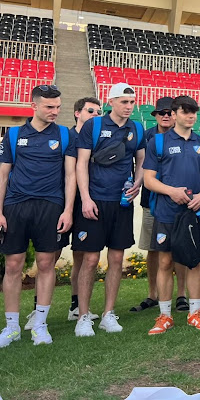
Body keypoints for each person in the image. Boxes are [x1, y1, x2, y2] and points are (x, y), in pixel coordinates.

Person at [0, 85, 76, 347]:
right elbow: (3, 175)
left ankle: (40, 325)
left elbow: (70, 175)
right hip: (16, 205)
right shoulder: (13, 135)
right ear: (34, 106)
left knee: (45, 264)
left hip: (50, 206)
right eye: (49, 107)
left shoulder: (65, 135)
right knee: (13, 264)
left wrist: (67, 209)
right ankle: (11, 327)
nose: (55, 111)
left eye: (57, 107)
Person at [74, 83, 146, 337]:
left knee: (116, 259)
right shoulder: (94, 126)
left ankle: (108, 314)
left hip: (122, 202)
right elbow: (81, 164)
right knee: (91, 259)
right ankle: (83, 316)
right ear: (111, 101)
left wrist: (138, 182)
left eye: (132, 102)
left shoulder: (137, 127)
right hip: (95, 201)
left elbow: (141, 160)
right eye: (124, 101)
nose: (129, 106)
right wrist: (85, 198)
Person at [143, 96, 200, 335]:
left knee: (194, 260)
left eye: (193, 112)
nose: (191, 116)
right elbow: (149, 180)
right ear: (173, 115)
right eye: (185, 112)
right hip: (166, 211)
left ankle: (195, 312)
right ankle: (164, 316)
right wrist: (171, 191)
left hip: (194, 212)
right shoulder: (158, 142)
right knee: (164, 262)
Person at [129, 97, 189, 314]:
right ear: (154, 115)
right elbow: (141, 167)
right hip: (152, 202)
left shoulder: (187, 136)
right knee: (153, 250)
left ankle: (181, 294)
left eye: (169, 111)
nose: (165, 115)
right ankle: (152, 294)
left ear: (175, 114)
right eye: (160, 112)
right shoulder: (148, 136)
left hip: (179, 202)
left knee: (179, 249)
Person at [64, 97, 102, 323]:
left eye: (99, 111)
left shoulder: (95, 138)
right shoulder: (65, 137)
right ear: (77, 113)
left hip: (86, 202)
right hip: (63, 203)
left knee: (82, 255)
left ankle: (76, 306)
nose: (96, 115)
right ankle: (37, 308)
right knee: (50, 255)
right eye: (90, 111)